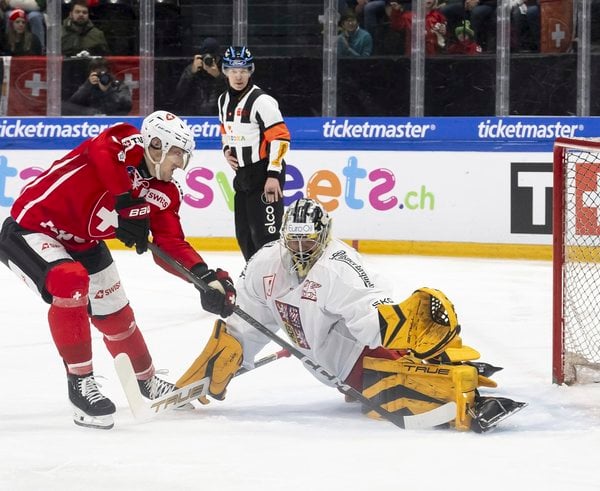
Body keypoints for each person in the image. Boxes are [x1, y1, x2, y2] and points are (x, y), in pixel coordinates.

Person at [177, 198, 526, 432]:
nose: (299, 249)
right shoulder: (265, 263)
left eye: (308, 241)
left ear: (324, 237)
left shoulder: (339, 267)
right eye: (293, 241)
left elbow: (372, 315)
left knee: (401, 390)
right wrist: (211, 368)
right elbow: (246, 326)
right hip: (327, 365)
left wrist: (401, 322)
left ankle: (457, 384)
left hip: (359, 360)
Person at [0, 110, 236, 430]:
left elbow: (169, 244)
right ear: (156, 145)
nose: (181, 163)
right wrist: (125, 201)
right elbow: (100, 153)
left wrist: (204, 277)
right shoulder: (124, 140)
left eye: (185, 155)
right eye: (177, 153)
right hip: (33, 230)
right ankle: (81, 383)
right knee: (71, 282)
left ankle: (147, 381)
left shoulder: (164, 193)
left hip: (84, 244)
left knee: (117, 315)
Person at [217, 46, 291, 262]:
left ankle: (277, 286)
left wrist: (274, 175)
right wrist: (226, 150)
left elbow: (280, 137)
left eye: (243, 70)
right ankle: (256, 284)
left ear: (251, 70)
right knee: (245, 236)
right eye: (233, 70)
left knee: (267, 238)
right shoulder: (223, 100)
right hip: (242, 175)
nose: (238, 76)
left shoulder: (262, 101)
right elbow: (225, 128)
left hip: (264, 173)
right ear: (225, 71)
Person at [174, 37, 227, 115]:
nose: (209, 61)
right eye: (206, 58)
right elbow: (179, 95)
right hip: (194, 114)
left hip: (218, 113)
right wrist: (190, 72)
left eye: (213, 58)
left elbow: (232, 94)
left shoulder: (225, 70)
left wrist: (218, 76)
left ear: (218, 58)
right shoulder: (193, 69)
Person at [62, 57, 132, 116]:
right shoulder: (87, 85)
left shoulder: (118, 85)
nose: (100, 77)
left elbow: (126, 106)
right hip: (89, 120)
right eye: (97, 74)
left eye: (102, 74)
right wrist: (88, 84)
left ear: (109, 73)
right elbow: (73, 104)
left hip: (112, 118)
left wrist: (107, 89)